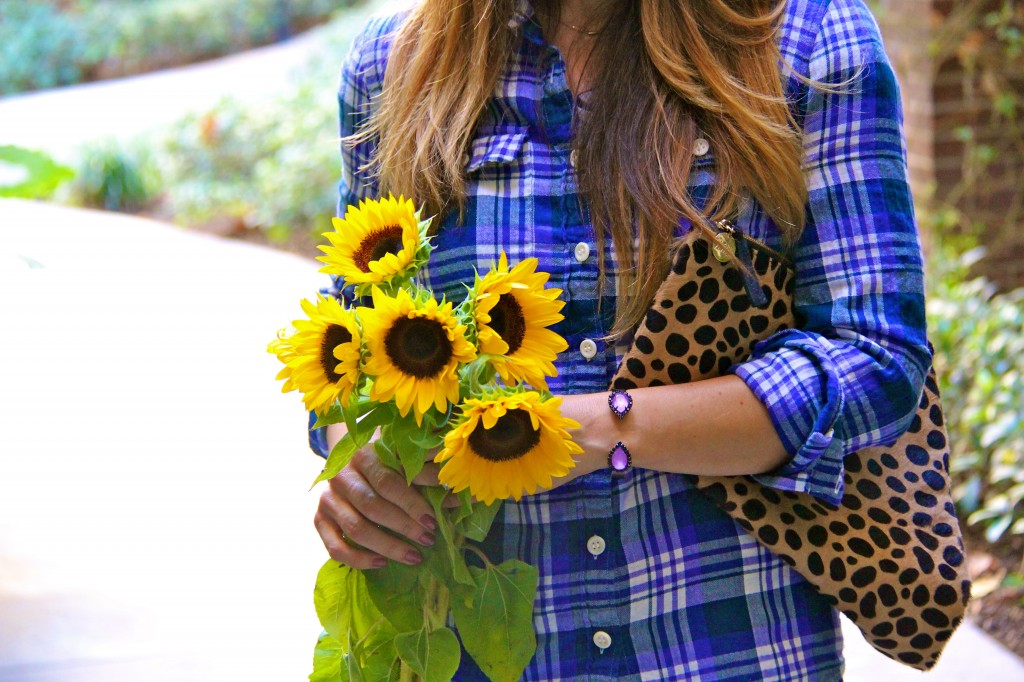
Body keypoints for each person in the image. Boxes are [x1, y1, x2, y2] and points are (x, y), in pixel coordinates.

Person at [310, 0, 932, 678]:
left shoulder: (804, 41)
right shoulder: (396, 63)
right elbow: (352, 351)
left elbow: (877, 359)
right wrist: (358, 459)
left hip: (724, 649)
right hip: (478, 655)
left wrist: (594, 430)